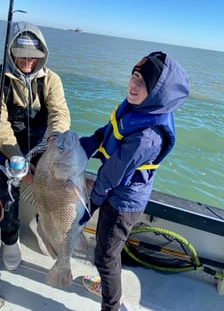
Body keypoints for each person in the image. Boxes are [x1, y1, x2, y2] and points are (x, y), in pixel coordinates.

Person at [79, 51, 189, 311]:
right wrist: (85, 145)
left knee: (105, 256)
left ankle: (112, 306)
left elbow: (110, 175)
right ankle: (110, 290)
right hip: (116, 191)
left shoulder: (148, 137)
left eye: (144, 82)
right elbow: (108, 131)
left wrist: (88, 208)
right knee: (108, 251)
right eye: (134, 75)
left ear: (158, 93)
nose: (134, 84)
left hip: (123, 204)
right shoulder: (139, 106)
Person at [0, 21, 71, 271]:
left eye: (34, 54)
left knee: (57, 179)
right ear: (11, 50)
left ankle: (42, 225)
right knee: (6, 186)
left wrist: (55, 141)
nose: (28, 59)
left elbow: (59, 114)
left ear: (42, 53)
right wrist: (16, 158)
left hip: (44, 142)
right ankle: (10, 239)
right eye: (21, 53)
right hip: (8, 144)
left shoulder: (51, 80)